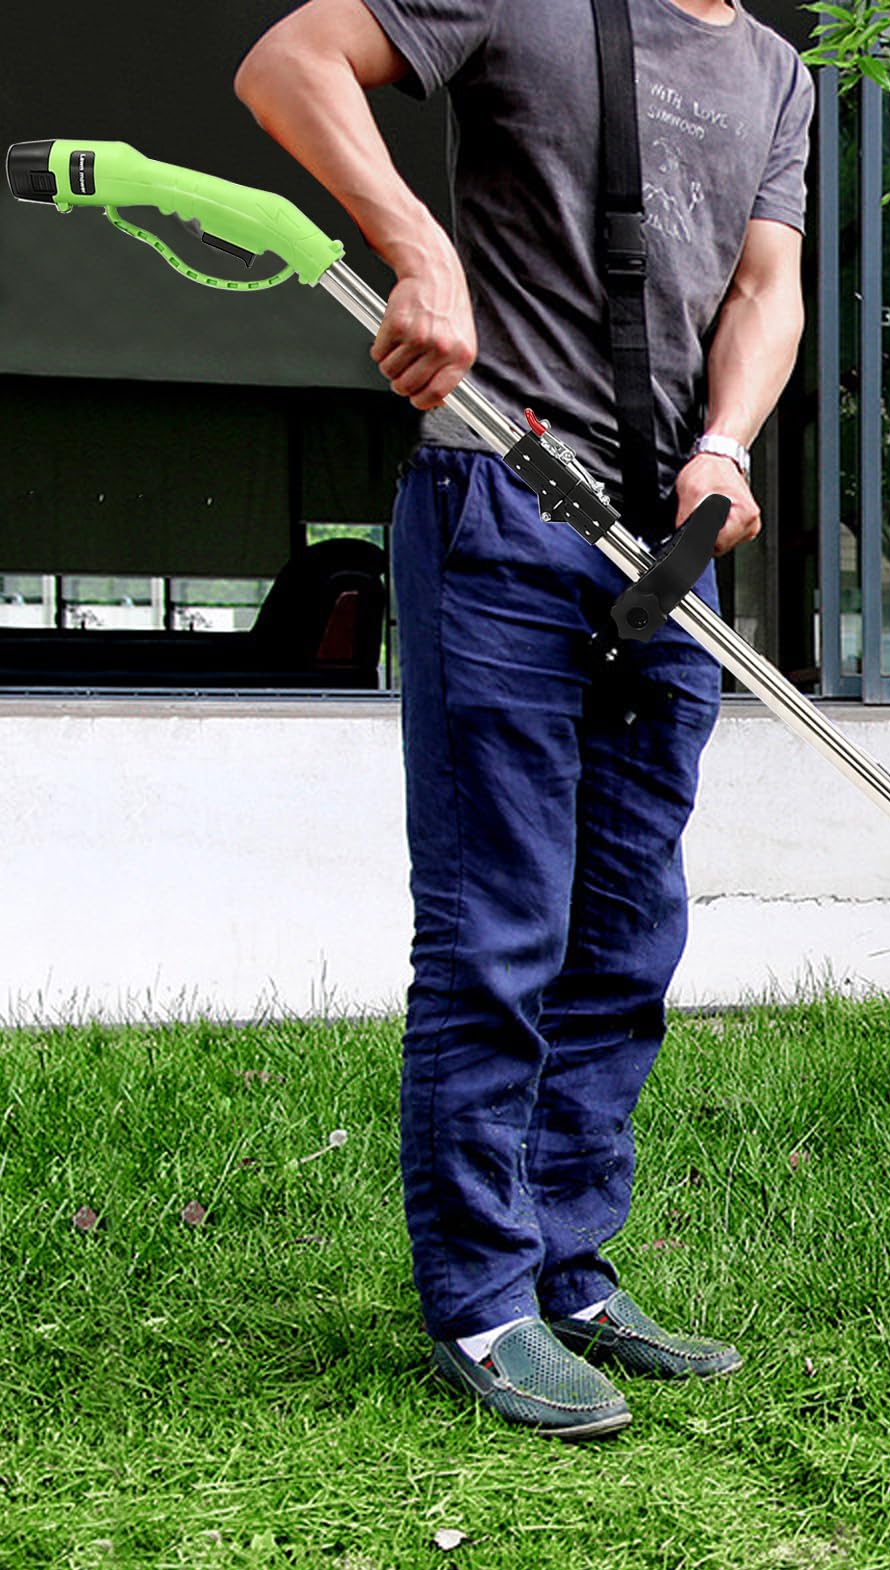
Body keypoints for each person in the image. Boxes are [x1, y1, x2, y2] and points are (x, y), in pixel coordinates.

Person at [234, 0, 812, 1440]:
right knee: (499, 931)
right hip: (500, 494)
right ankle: (485, 1299)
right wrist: (421, 251)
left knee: (624, 935)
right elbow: (289, 63)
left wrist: (726, 445)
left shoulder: (776, 72)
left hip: (666, 540)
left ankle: (568, 1271)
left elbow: (765, 286)